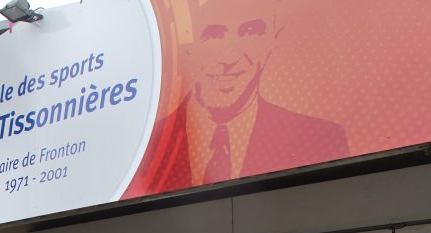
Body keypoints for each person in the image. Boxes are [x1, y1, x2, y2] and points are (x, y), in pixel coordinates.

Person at [125, 0, 349, 197]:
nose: (229, 58)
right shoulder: (144, 154)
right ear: (190, 50)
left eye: (250, 32)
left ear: (270, 45)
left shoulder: (320, 138)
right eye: (214, 35)